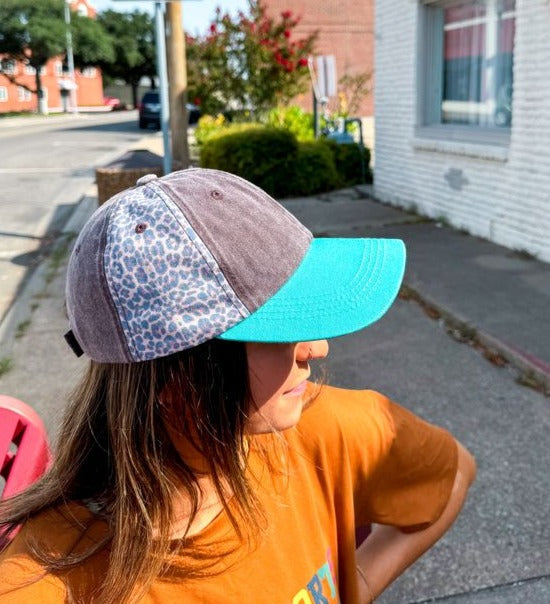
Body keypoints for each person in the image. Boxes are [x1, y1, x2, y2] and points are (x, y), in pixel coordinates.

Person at [0, 168, 476, 603]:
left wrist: (360, 584)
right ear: (174, 378)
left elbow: (454, 473)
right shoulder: (47, 580)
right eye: (278, 329)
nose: (318, 347)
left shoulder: (323, 429)